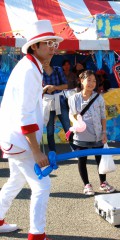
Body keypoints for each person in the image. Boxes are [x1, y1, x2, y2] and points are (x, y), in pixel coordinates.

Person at [0, 20, 63, 240]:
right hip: (20, 140)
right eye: (48, 43)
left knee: (15, 181)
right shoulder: (29, 69)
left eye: (54, 43)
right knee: (42, 185)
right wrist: (36, 151)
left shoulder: (31, 66)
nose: (53, 47)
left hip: (15, 139)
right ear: (34, 46)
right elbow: (25, 115)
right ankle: (37, 235)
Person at [68, 70, 116, 196]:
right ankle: (87, 184)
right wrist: (75, 122)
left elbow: (103, 116)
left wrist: (104, 132)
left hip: (97, 134)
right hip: (80, 135)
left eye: (94, 81)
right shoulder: (74, 98)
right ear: (81, 81)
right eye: (88, 80)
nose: (91, 83)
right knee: (82, 160)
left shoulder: (98, 98)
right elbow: (71, 115)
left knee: (100, 159)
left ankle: (103, 182)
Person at [42, 59, 73, 152]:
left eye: (47, 58)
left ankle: (75, 149)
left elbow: (66, 85)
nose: (45, 60)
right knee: (50, 130)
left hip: (60, 100)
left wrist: (54, 87)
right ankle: (52, 152)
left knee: (67, 127)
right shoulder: (38, 72)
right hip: (47, 102)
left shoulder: (57, 69)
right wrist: (45, 88)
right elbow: (36, 90)